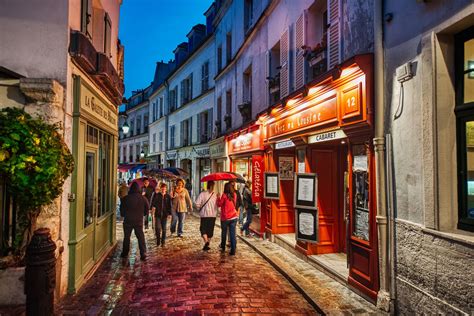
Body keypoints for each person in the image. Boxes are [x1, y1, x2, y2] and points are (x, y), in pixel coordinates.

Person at [120, 182, 149, 261]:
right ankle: (143, 253)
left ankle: (125, 253)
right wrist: (142, 215)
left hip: (128, 221)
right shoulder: (143, 198)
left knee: (126, 237)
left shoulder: (125, 198)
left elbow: (122, 211)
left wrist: (125, 215)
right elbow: (147, 210)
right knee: (140, 237)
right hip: (138, 221)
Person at [195, 181, 218, 251]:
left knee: (203, 229)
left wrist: (199, 207)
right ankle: (207, 243)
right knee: (210, 231)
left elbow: (197, 204)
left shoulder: (203, 194)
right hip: (212, 215)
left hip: (204, 215)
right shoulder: (216, 195)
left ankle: (206, 242)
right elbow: (218, 206)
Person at [217, 182, 239, 255]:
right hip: (234, 217)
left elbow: (219, 204)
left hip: (225, 218)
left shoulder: (224, 196)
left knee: (224, 232)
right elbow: (234, 204)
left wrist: (218, 197)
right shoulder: (234, 195)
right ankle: (233, 250)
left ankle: (223, 247)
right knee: (232, 234)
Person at [150, 183, 172, 247]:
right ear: (161, 189)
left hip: (165, 215)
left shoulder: (168, 196)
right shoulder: (157, 195)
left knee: (164, 229)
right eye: (162, 188)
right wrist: (152, 210)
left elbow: (169, 206)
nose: (163, 189)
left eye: (164, 188)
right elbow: (153, 204)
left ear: (166, 189)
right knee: (157, 228)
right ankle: (158, 241)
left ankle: (163, 241)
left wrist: (170, 214)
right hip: (157, 215)